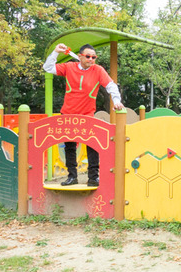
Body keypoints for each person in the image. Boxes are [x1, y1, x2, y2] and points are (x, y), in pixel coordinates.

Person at [43, 43, 124, 186]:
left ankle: (93, 177)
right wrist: (56, 52)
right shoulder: (69, 67)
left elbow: (111, 86)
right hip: (68, 113)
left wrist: (117, 101)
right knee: (69, 146)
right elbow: (48, 68)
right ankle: (72, 176)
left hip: (87, 114)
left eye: (93, 57)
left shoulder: (98, 70)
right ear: (80, 56)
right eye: (87, 56)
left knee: (92, 144)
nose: (91, 59)